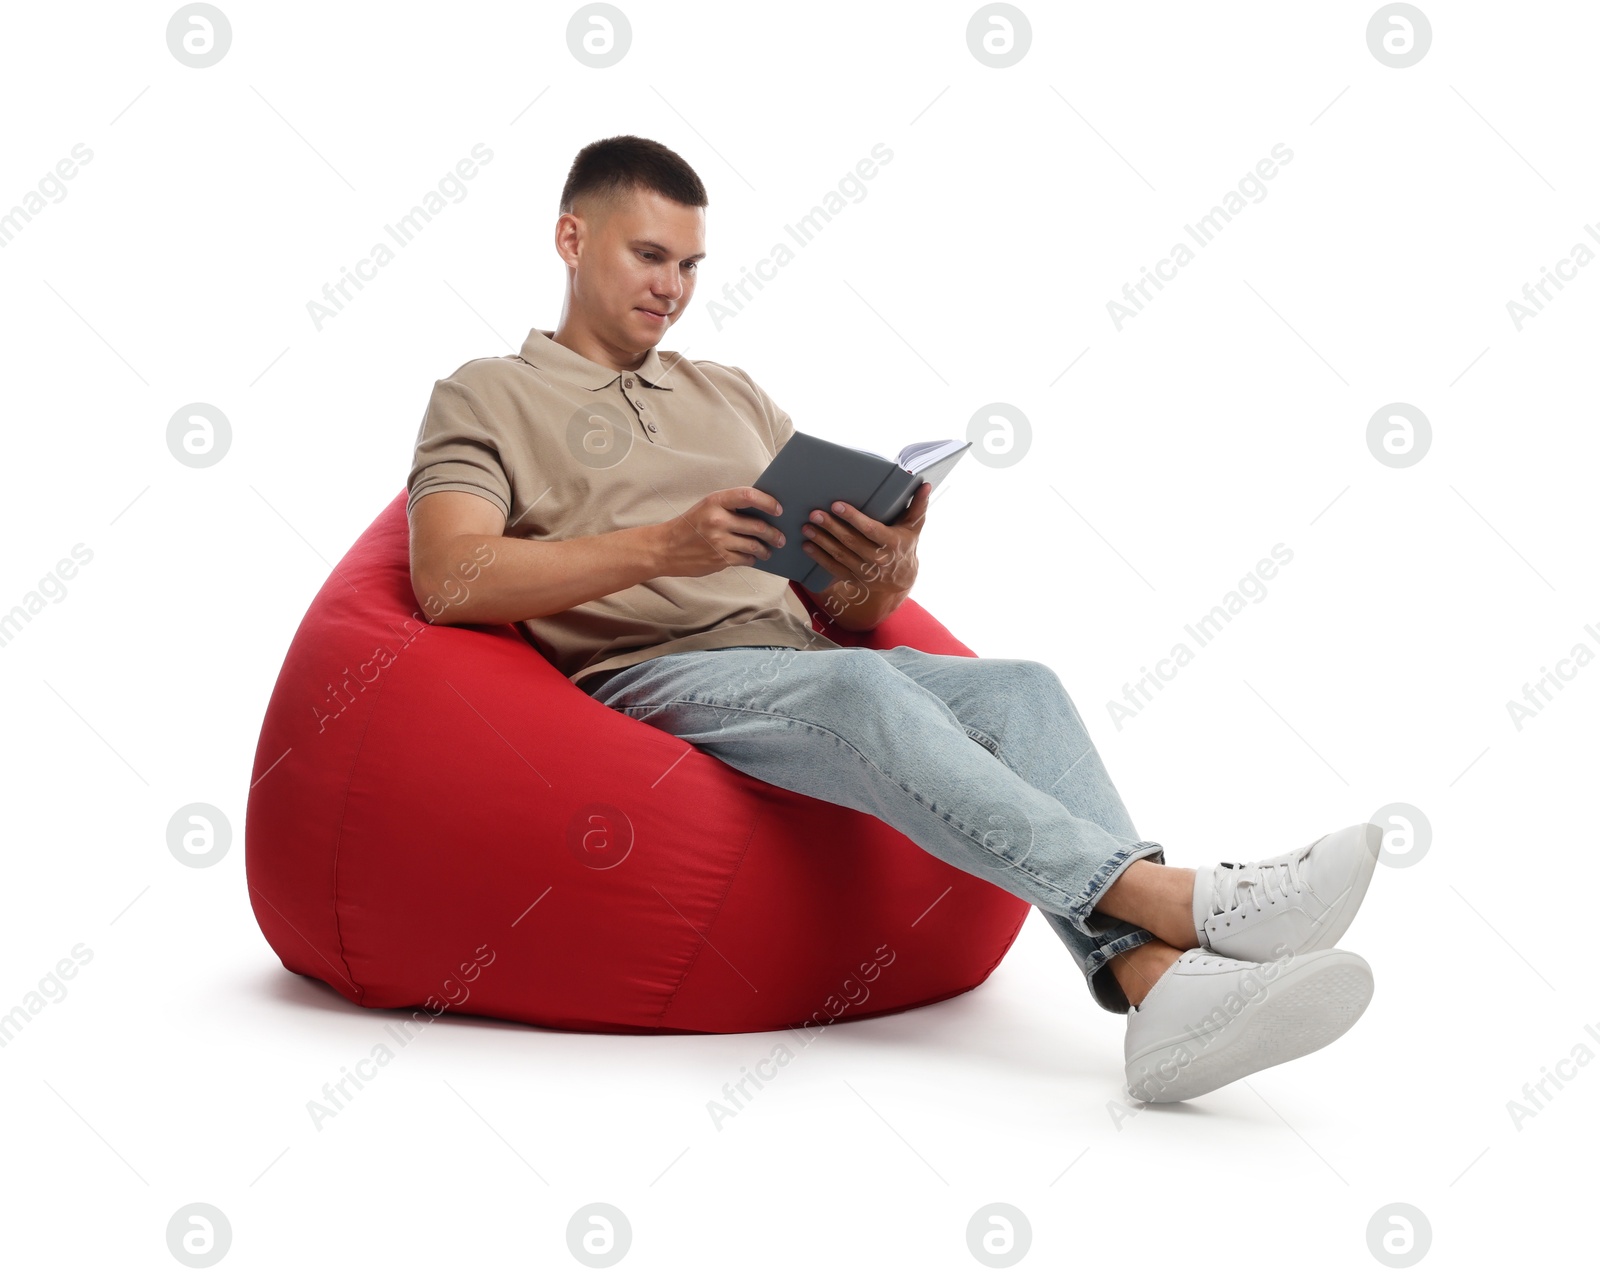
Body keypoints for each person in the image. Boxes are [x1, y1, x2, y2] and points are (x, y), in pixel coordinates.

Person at [405, 134, 1380, 1103]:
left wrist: (886, 559)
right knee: (856, 681)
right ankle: (1185, 900)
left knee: (1021, 689)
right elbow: (447, 575)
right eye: (648, 255)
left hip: (786, 656)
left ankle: (1157, 993)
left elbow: (853, 609)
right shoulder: (488, 394)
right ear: (572, 239)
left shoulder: (729, 393)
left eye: (692, 264)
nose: (673, 286)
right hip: (649, 673)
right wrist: (665, 548)